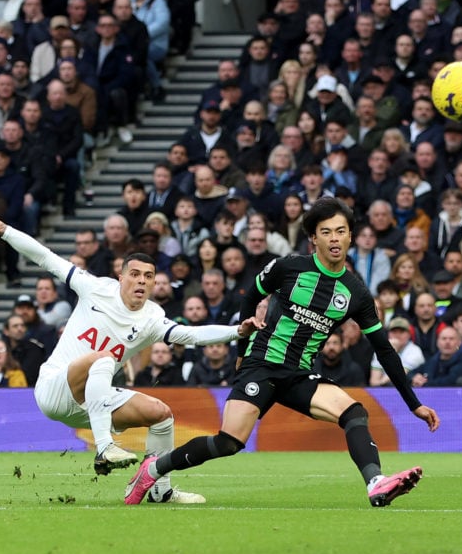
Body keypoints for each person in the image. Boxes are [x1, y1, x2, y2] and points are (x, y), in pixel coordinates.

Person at [122, 198, 439, 507]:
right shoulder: (288, 267)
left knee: (354, 412)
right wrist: (242, 351)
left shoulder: (356, 293)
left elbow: (384, 349)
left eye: (341, 231)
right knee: (229, 442)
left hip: (299, 375)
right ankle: (152, 469)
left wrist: (414, 403)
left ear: (350, 236)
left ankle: (375, 483)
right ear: (313, 238)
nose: (334, 238)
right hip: (261, 365)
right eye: (326, 232)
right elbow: (250, 299)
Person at [0, 206, 250, 505]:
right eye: (135, 274)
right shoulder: (95, 288)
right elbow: (46, 257)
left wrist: (237, 332)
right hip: (55, 387)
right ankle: (104, 448)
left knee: (161, 415)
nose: (141, 281)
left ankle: (158, 488)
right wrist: (3, 229)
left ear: (154, 283)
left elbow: (192, 335)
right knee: (103, 358)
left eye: (148, 276)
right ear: (121, 276)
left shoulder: (153, 318)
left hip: (93, 404)